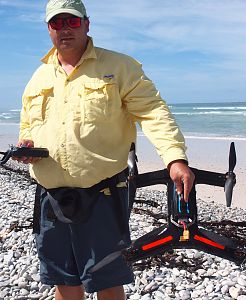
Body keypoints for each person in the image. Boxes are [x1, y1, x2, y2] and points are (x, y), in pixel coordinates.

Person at [17, 0, 195, 299]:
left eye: (72, 22)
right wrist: (26, 146)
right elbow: (28, 127)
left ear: (87, 24)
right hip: (50, 195)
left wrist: (175, 158)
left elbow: (153, 112)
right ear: (48, 29)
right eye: (56, 23)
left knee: (107, 281)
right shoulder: (39, 77)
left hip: (103, 193)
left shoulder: (119, 66)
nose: (65, 29)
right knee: (65, 280)